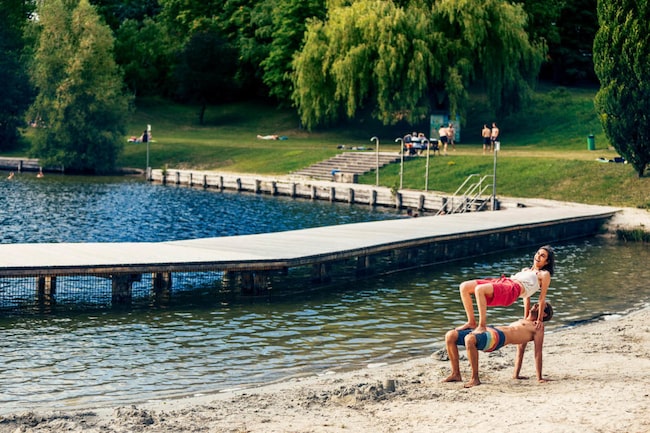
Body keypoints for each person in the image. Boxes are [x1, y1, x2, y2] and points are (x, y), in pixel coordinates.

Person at [443, 301, 553, 388]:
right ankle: (456, 374)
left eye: (540, 306)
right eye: (537, 303)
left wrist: (539, 377)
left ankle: (475, 378)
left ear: (543, 314)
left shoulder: (538, 328)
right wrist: (516, 374)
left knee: (469, 339)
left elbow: (538, 352)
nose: (536, 305)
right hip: (490, 329)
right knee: (450, 335)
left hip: (498, 338)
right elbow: (520, 351)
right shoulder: (523, 319)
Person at [456, 245, 555, 334]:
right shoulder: (526, 270)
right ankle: (471, 322)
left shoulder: (544, 274)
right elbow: (526, 296)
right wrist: (525, 318)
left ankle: (482, 326)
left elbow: (542, 298)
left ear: (547, 261)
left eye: (542, 256)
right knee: (464, 286)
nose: (538, 256)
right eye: (538, 253)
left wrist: (539, 320)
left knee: (479, 290)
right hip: (505, 281)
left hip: (512, 289)